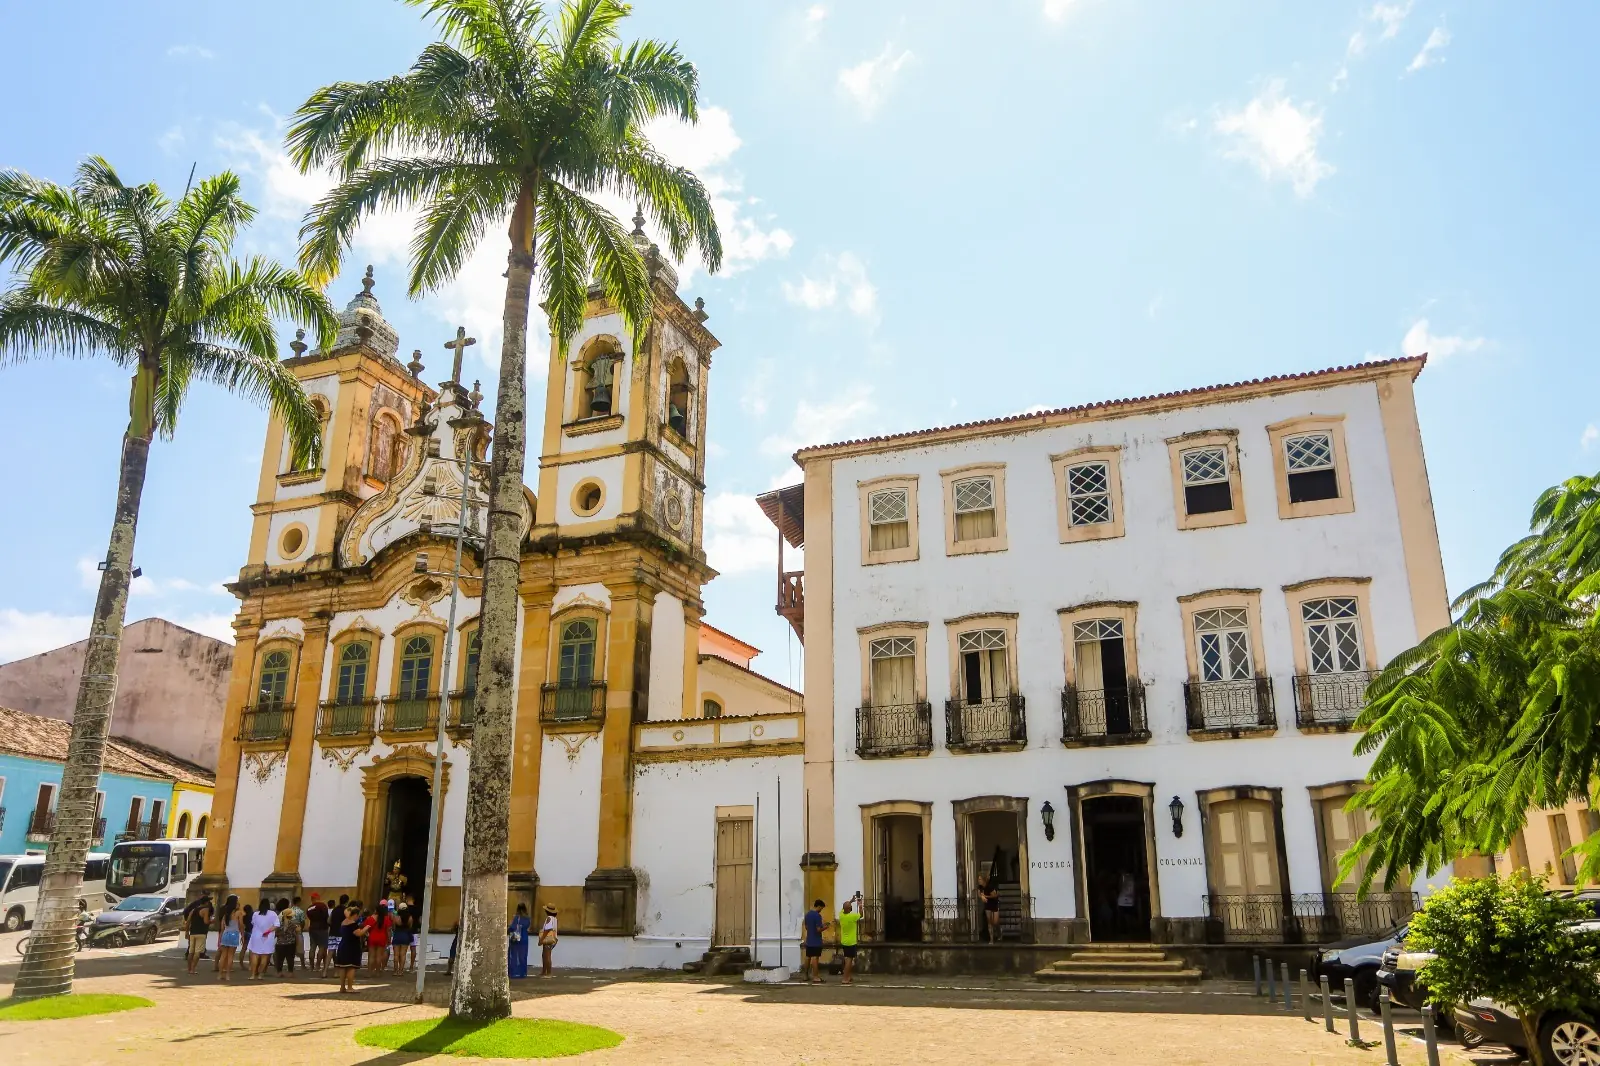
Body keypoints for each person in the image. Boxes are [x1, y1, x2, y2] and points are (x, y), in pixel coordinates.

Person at [334, 901, 364, 993]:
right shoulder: (352, 924)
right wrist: (366, 928)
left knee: (343, 967)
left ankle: (342, 987)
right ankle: (350, 987)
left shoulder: (344, 922)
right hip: (351, 947)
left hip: (343, 946)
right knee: (351, 967)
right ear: (355, 915)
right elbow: (359, 933)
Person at [248, 899, 279, 980]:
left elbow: (253, 923)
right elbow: (276, 925)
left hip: (256, 936)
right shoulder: (273, 914)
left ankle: (253, 974)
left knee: (255, 955)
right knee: (264, 957)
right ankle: (260, 974)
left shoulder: (255, 914)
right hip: (267, 937)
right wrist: (267, 931)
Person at [801, 898, 828, 984]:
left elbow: (806, 927)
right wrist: (826, 927)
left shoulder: (808, 914)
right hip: (816, 941)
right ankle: (816, 977)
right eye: (821, 908)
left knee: (808, 957)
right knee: (815, 958)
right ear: (819, 906)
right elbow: (818, 929)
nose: (821, 910)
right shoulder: (817, 916)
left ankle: (805, 975)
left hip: (809, 940)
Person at [185, 894, 213, 974]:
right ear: (206, 902)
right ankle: (193, 969)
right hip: (201, 933)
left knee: (191, 952)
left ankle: (189, 969)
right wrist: (212, 921)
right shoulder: (206, 910)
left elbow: (188, 921)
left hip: (193, 932)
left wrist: (187, 932)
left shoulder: (193, 910)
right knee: (197, 952)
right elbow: (206, 921)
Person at [363, 901, 392, 975]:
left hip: (372, 937)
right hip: (382, 938)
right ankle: (377, 972)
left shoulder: (370, 918)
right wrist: (389, 940)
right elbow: (388, 930)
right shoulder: (386, 919)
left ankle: (369, 972)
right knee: (379, 955)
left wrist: (367, 935)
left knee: (371, 955)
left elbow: (365, 928)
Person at [837, 894, 861, 985]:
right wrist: (860, 905)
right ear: (849, 909)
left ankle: (848, 976)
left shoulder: (841, 915)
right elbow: (861, 915)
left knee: (847, 959)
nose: (851, 908)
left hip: (844, 941)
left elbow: (844, 908)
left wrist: (851, 901)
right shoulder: (852, 916)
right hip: (851, 942)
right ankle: (845, 978)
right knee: (849, 961)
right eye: (850, 907)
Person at [216, 895, 241, 982]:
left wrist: (219, 939)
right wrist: (243, 935)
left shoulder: (225, 914)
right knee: (230, 956)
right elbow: (241, 925)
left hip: (226, 934)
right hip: (234, 934)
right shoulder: (238, 913)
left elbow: (222, 928)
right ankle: (227, 975)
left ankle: (219, 974)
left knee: (223, 956)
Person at [274, 896, 300, 977]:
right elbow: (297, 929)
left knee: (279, 959)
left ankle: (279, 972)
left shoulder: (277, 919)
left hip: (280, 942)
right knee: (290, 958)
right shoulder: (291, 920)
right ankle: (290, 972)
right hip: (290, 942)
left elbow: (275, 930)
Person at [307, 894, 330, 975]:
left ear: (312, 899)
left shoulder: (309, 908)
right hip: (322, 928)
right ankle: (317, 965)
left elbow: (309, 918)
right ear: (318, 898)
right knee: (322, 947)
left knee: (312, 946)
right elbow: (326, 917)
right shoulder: (323, 906)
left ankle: (311, 966)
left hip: (312, 928)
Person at [507, 902, 531, 979]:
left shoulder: (516, 918)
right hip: (524, 938)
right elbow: (527, 926)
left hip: (516, 938)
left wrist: (508, 929)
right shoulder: (527, 918)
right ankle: (522, 973)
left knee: (513, 955)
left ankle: (513, 972)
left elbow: (512, 928)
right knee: (523, 956)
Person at [391, 900, 414, 975]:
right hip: (405, 936)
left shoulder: (396, 917)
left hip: (397, 935)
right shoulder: (410, 918)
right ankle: (401, 971)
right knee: (403, 954)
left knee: (396, 955)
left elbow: (393, 928)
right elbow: (410, 927)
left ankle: (395, 971)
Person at [538, 905, 559, 978]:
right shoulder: (555, 919)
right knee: (545, 955)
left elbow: (547, 930)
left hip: (548, 939)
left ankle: (548, 973)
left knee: (547, 956)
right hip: (553, 939)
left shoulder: (549, 918)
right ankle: (544, 972)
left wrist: (541, 939)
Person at [289, 895, 309, 968]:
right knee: (300, 946)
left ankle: (290, 964)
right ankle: (303, 965)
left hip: (290, 930)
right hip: (298, 929)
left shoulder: (289, 910)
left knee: (290, 947)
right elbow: (303, 922)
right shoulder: (300, 911)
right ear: (298, 902)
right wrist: (301, 928)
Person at [1116, 871, 1138, 937]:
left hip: (1122, 899)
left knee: (1122, 915)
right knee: (1128, 916)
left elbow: (1119, 887)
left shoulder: (1122, 877)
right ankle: (1129, 930)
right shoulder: (1133, 877)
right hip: (1130, 899)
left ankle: (1124, 930)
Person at [981, 878, 1001, 944]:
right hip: (987, 906)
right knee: (989, 923)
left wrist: (986, 896)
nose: (979, 881)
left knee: (995, 922)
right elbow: (979, 893)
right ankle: (991, 939)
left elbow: (995, 895)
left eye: (980, 879)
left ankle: (999, 933)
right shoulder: (980, 887)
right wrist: (982, 896)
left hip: (994, 904)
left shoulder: (990, 887)